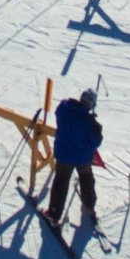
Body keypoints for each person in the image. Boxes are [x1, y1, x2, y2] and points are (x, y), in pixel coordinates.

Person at [45, 88, 103, 229]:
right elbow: (97, 141)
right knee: (86, 178)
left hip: (64, 155)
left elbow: (59, 110)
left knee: (61, 182)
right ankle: (89, 205)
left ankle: (54, 214)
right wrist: (95, 125)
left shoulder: (65, 109)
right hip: (82, 158)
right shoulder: (89, 122)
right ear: (91, 105)